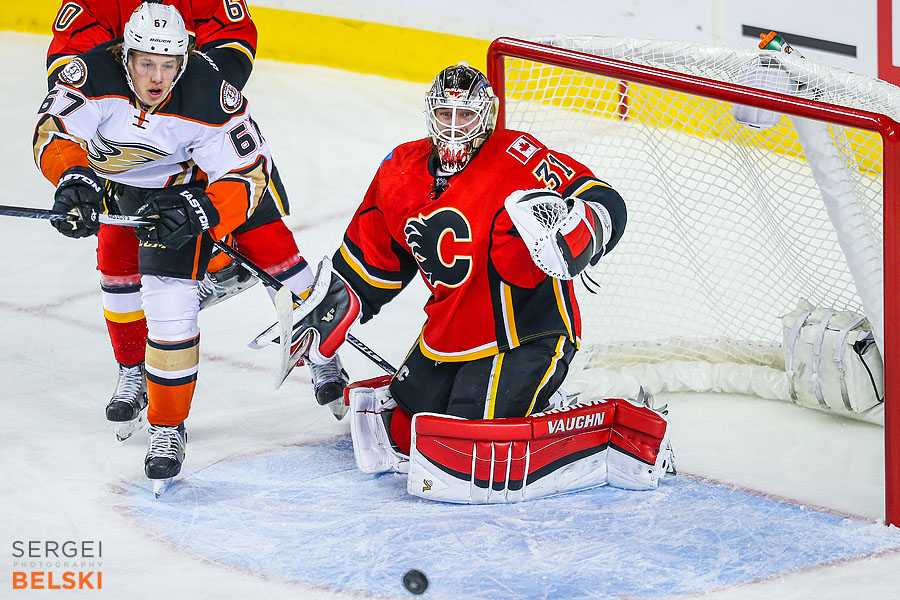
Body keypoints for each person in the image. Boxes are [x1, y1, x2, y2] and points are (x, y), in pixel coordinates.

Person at [277, 63, 675, 501]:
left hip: (527, 333)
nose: (452, 126)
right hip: (447, 333)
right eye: (444, 114)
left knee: (470, 448)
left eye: (464, 115)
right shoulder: (400, 168)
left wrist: (581, 231)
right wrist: (332, 305)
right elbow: (373, 256)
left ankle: (602, 416)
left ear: (485, 117)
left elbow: (599, 196)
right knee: (403, 434)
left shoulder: (518, 156)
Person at [33, 3, 342, 493]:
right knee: (140, 293)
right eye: (146, 63)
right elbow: (53, 132)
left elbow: (248, 176)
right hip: (133, 191)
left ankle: (324, 353)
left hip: (200, 188)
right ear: (124, 55)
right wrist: (73, 180)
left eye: (169, 64)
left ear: (186, 58)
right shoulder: (89, 75)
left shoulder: (209, 93)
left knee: (279, 259)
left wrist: (203, 212)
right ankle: (159, 415)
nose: (158, 78)